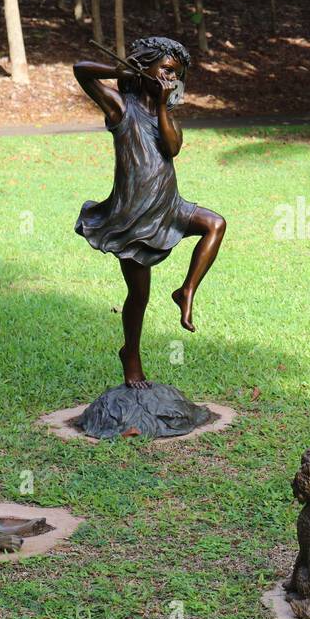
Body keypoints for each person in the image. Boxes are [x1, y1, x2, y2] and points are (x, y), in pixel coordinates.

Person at [73, 36, 226, 388]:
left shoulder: (166, 116)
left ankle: (186, 290)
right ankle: (131, 354)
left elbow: (171, 148)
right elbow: (81, 71)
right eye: (168, 71)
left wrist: (162, 106)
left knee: (215, 224)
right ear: (145, 66)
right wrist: (119, 70)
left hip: (169, 207)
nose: (172, 80)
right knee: (139, 296)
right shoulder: (119, 108)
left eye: (178, 76)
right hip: (134, 218)